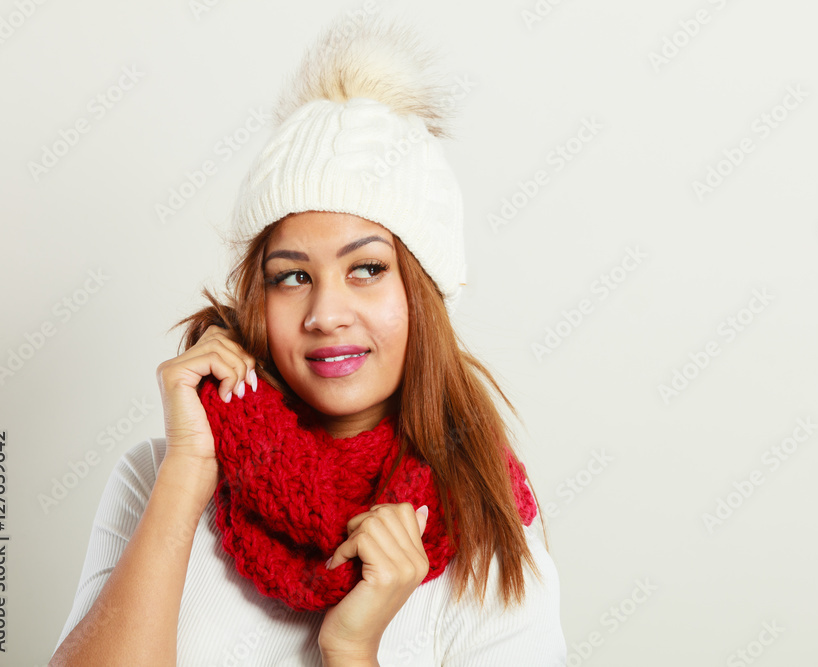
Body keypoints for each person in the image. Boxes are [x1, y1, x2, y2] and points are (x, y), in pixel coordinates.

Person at [50, 13, 566, 667]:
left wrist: (352, 647)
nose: (326, 312)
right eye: (292, 275)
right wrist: (187, 472)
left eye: (367, 268)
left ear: (423, 295)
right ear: (257, 299)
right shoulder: (159, 475)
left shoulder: (488, 528)